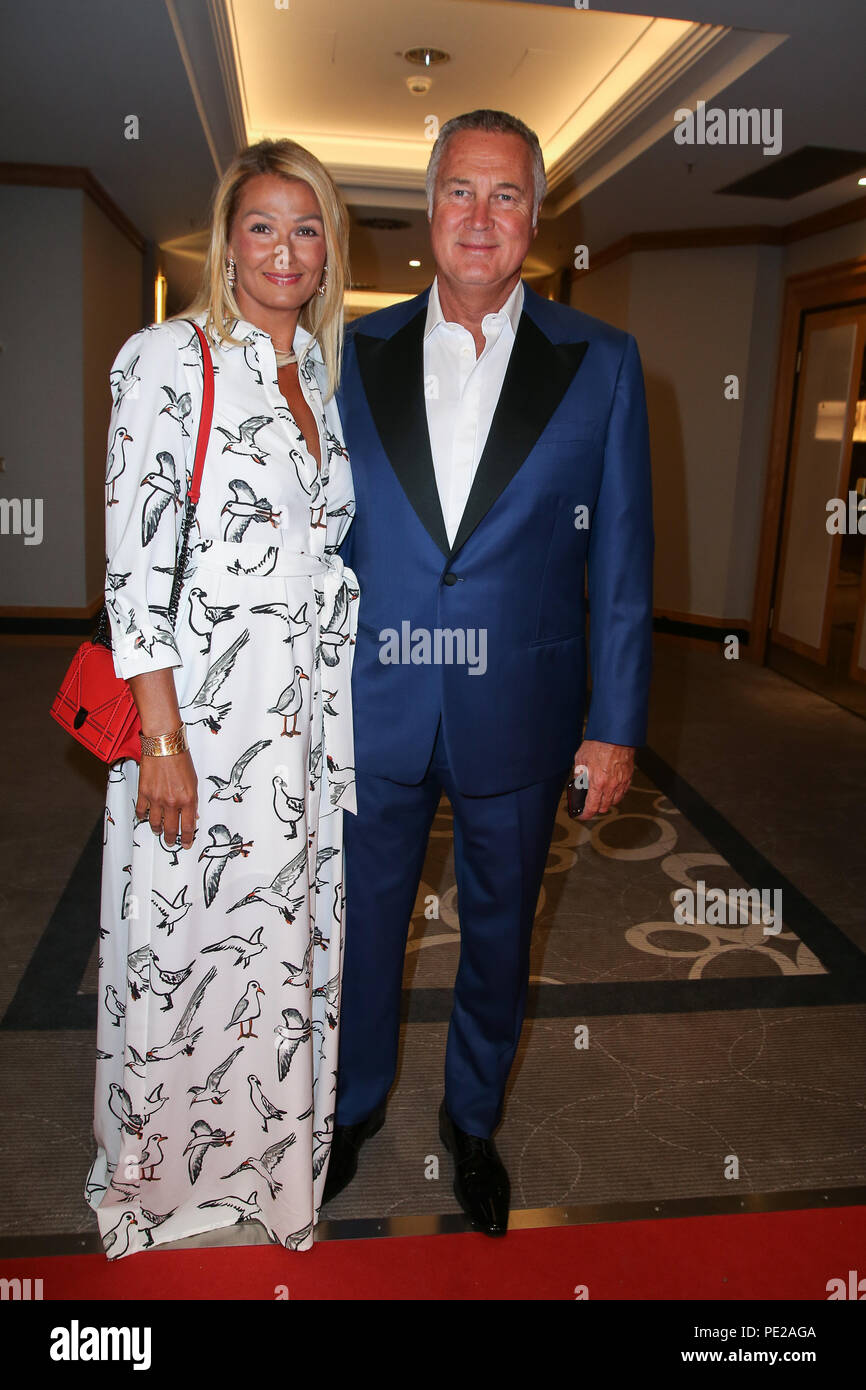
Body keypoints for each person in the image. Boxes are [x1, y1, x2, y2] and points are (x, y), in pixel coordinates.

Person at [325, 109, 654, 1234]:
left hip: (523, 707)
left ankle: (471, 1121)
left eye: (504, 195)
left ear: (535, 218)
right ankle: (350, 1107)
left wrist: (613, 726)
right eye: (460, 190)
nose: (479, 216)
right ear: (427, 210)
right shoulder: (349, 351)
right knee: (362, 922)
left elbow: (619, 561)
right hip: (372, 701)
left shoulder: (601, 363)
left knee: (499, 931)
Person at [87, 138, 357, 1258]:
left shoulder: (321, 381)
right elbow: (131, 569)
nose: (285, 248)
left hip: (298, 732)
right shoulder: (168, 359)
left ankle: (265, 1171)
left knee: (273, 956)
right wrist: (161, 738)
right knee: (179, 944)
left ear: (328, 248)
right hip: (197, 717)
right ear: (227, 240)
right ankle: (157, 1185)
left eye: (307, 227)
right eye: (261, 225)